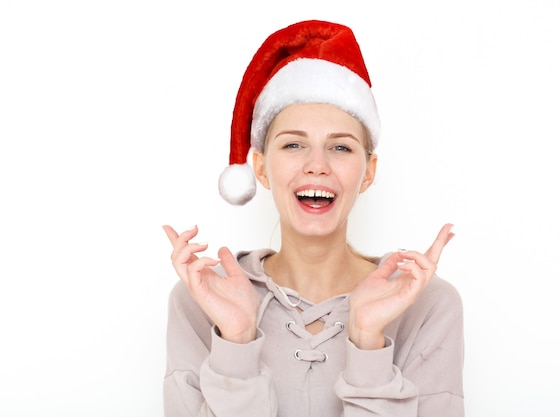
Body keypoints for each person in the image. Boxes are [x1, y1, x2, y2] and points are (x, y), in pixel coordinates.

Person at [162, 20, 464, 417]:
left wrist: (368, 341)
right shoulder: (200, 299)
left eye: (340, 147)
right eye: (293, 144)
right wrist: (236, 342)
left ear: (368, 171)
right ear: (262, 167)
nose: (316, 166)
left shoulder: (428, 304)